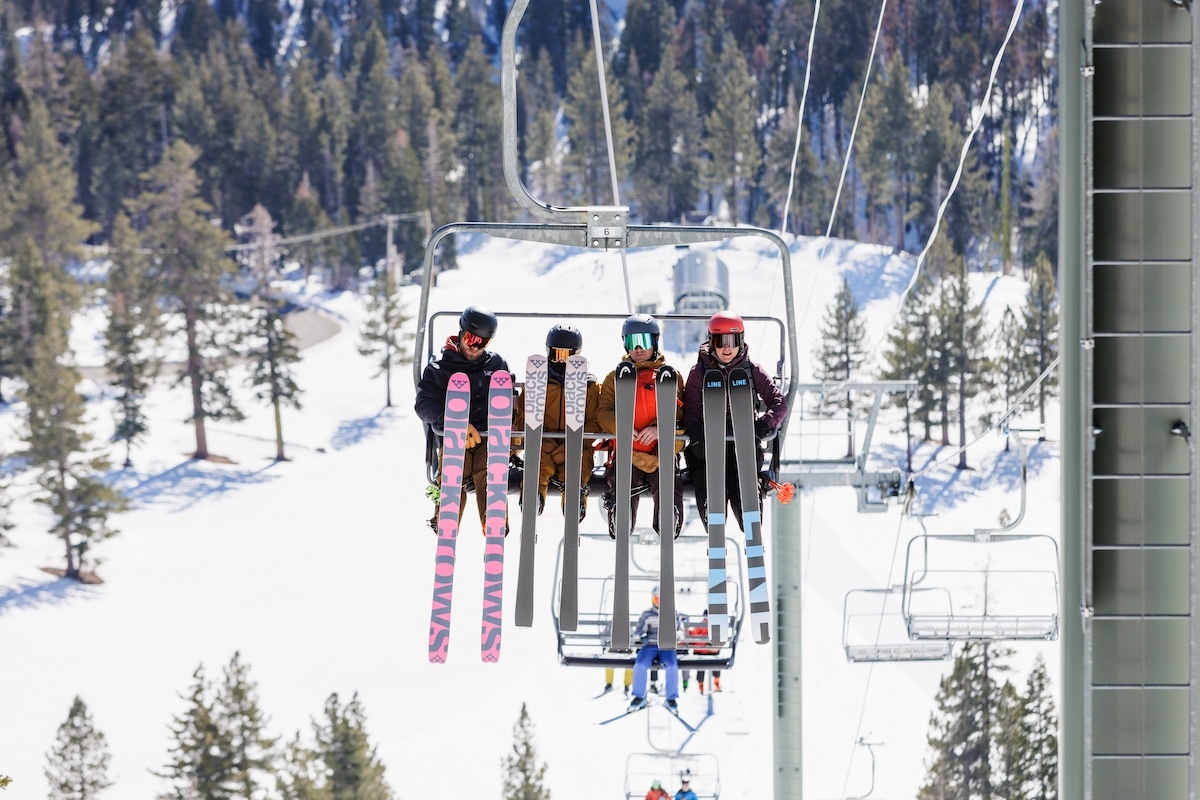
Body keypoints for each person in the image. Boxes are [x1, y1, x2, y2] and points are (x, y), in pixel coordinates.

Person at [682, 311, 787, 533]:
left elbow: (779, 404)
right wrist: (695, 433)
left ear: (741, 341)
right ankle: (712, 507)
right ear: (712, 342)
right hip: (709, 441)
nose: (727, 348)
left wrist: (761, 426)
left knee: (742, 471)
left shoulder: (752, 370)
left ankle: (749, 508)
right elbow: (689, 410)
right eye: (721, 342)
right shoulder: (699, 372)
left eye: (733, 341)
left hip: (742, 441)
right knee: (704, 470)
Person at [415, 306, 511, 532]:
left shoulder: (497, 366)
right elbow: (423, 405)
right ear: (460, 333)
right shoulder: (440, 369)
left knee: (489, 469)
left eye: (482, 343)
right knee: (453, 468)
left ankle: (494, 517)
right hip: (454, 438)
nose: (474, 346)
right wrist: (454, 423)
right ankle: (446, 516)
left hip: (490, 439)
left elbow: (508, 401)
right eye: (470, 338)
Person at [597, 314, 685, 539]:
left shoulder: (670, 377)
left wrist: (660, 429)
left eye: (644, 341)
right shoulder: (613, 378)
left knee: (668, 478)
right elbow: (603, 412)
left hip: (661, 449)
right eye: (631, 342)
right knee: (621, 477)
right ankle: (621, 515)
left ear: (654, 342)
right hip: (628, 450)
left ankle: (668, 516)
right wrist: (622, 427)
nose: (637, 348)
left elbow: (681, 413)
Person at [512, 325, 600, 521]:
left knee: (578, 469)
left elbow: (595, 423)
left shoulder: (590, 387)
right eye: (556, 353)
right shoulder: (537, 383)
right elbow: (524, 418)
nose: (561, 359)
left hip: (577, 447)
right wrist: (543, 441)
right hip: (543, 445)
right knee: (537, 466)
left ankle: (574, 503)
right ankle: (531, 498)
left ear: (576, 355)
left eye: (567, 355)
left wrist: (575, 444)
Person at [628, 587, 682, 712]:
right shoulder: (647, 614)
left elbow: (681, 629)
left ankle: (670, 698)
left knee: (672, 666)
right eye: (655, 599)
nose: (658, 602)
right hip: (650, 646)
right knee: (640, 664)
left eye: (660, 599)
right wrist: (642, 637)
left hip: (667, 646)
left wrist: (677, 636)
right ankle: (640, 696)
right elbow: (638, 631)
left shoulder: (672, 613)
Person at [681, 610, 722, 694]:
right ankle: (716, 683)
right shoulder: (715, 626)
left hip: (699, 651)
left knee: (700, 669)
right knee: (716, 665)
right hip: (711, 652)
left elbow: (692, 638)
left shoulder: (699, 626)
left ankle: (701, 686)